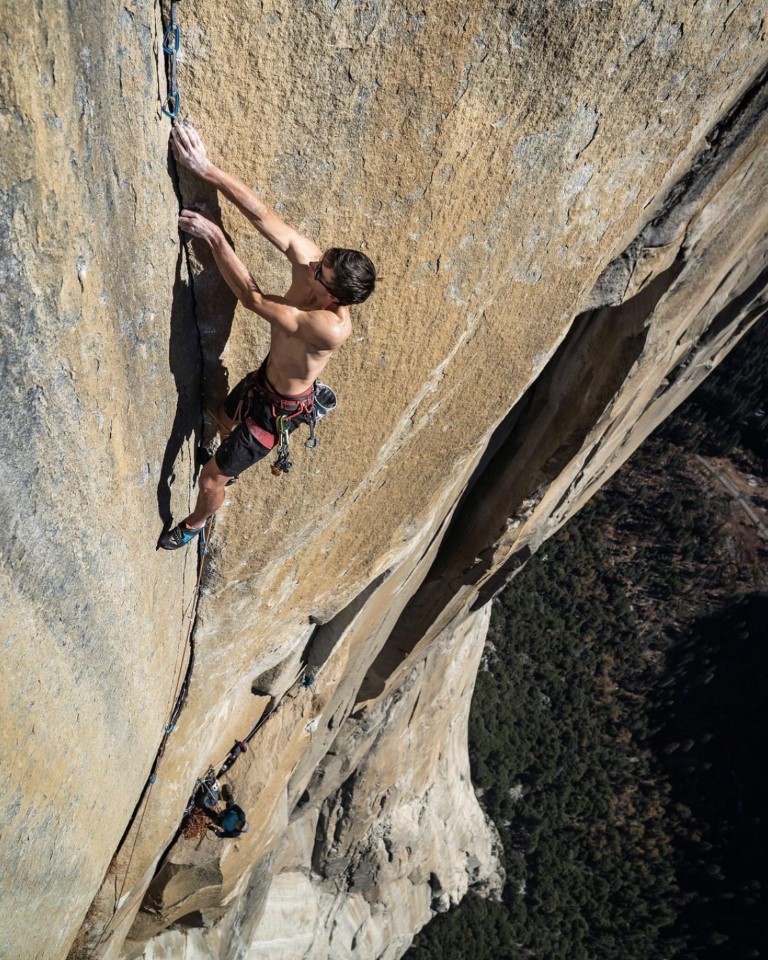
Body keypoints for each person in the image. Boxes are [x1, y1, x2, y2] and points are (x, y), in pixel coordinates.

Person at [159, 123, 377, 550]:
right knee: (223, 419)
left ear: (331, 294)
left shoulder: (329, 327)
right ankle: (227, 460)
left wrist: (216, 239)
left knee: (210, 479)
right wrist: (206, 169)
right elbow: (263, 216)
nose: (312, 263)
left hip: (276, 411)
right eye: (322, 260)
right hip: (264, 380)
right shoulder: (317, 263)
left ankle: (197, 520)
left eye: (320, 271)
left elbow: (253, 300)